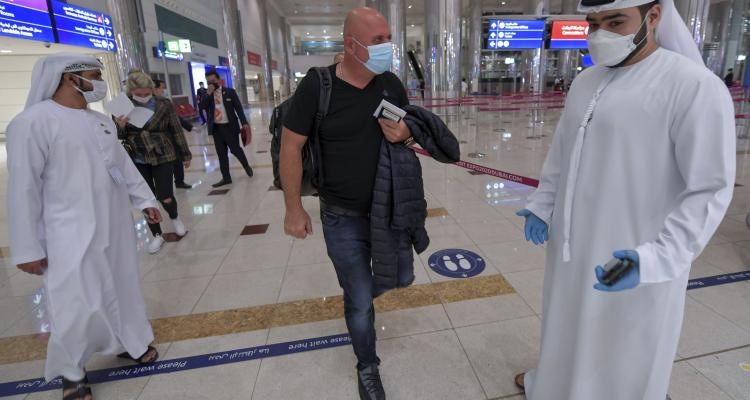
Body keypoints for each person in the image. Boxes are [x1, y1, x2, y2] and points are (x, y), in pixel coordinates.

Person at [514, 1, 735, 399]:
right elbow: (563, 153)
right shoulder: (586, 81)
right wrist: (543, 206)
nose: (601, 34)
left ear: (654, 16)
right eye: (593, 24)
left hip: (635, 253)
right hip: (571, 249)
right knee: (565, 327)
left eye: (615, 22)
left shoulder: (693, 86)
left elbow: (709, 189)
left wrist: (656, 257)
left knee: (624, 351)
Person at [7, 53, 161, 400]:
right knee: (74, 301)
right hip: (67, 232)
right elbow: (23, 190)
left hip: (114, 224)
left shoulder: (100, 121)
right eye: (95, 76)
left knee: (123, 287)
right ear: (68, 77)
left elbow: (122, 166)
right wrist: (28, 248)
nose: (100, 84)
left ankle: (131, 342)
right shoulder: (32, 123)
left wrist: (146, 201)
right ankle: (72, 372)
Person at [281, 7, 413, 400]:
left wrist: (406, 133)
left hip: (387, 209)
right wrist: (293, 209)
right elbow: (291, 147)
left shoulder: (391, 84)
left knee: (396, 278)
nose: (387, 46)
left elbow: (407, 138)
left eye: (388, 38)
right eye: (377, 40)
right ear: (350, 45)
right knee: (358, 300)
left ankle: (363, 294)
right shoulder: (318, 86)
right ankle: (367, 366)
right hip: (341, 215)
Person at [118, 71, 192, 254]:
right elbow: (118, 136)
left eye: (147, 93)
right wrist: (120, 126)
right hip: (137, 155)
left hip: (163, 153)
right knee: (146, 198)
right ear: (131, 91)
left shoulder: (164, 104)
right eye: (139, 94)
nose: (143, 97)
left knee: (165, 195)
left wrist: (185, 153)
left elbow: (176, 129)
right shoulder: (122, 105)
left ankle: (174, 218)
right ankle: (157, 235)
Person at [200, 69, 254, 187]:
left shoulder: (230, 92)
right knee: (221, 154)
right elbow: (202, 106)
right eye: (209, 82)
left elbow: (238, 108)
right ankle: (226, 178)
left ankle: (246, 166)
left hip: (230, 127)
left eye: (213, 81)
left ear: (218, 80)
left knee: (235, 150)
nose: (211, 83)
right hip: (216, 129)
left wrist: (244, 122)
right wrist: (208, 94)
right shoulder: (207, 95)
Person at [153, 79, 194, 189]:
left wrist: (189, 127)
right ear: (154, 89)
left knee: (177, 158)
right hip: (160, 139)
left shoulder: (165, 102)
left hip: (172, 135)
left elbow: (176, 118)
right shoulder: (150, 105)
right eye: (162, 88)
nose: (163, 90)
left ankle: (179, 181)